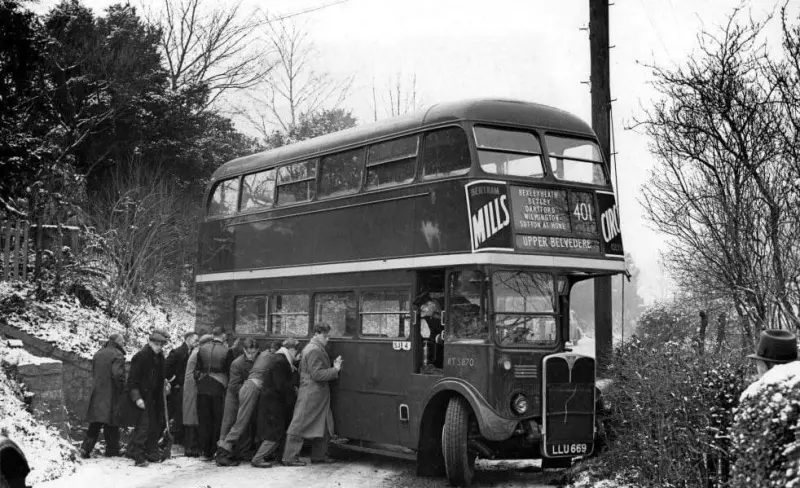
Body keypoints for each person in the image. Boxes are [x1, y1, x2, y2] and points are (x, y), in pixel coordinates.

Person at [282, 323, 343, 466]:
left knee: (325, 423)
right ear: (317, 334)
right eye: (325, 336)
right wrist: (335, 369)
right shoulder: (314, 349)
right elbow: (317, 374)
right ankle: (290, 458)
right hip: (312, 392)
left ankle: (319, 455)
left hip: (316, 393)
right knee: (300, 424)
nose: (328, 339)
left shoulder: (314, 348)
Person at [119, 329, 170, 467]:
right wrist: (137, 398)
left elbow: (159, 376)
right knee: (143, 426)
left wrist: (164, 384)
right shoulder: (141, 356)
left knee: (154, 425)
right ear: (150, 343)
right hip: (143, 396)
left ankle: (151, 452)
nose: (159, 347)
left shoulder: (160, 357)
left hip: (155, 397)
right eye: (157, 344)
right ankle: (138, 456)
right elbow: (132, 381)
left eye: (162, 345)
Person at [250, 338, 300, 468]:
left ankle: (269, 456)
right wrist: (293, 387)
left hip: (272, 401)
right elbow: (281, 384)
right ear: (291, 350)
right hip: (274, 403)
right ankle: (258, 458)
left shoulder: (279, 358)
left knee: (275, 430)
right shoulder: (281, 361)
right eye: (296, 351)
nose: (297, 354)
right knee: (275, 431)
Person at [80, 332, 126, 458]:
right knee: (112, 422)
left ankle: (85, 448)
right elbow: (117, 375)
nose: (123, 343)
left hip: (98, 392)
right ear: (117, 341)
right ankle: (112, 450)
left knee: (96, 422)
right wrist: (122, 388)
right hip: (112, 393)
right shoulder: (118, 354)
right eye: (122, 341)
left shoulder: (98, 353)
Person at [216, 338, 259, 466]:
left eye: (254, 352)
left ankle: (242, 453)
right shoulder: (237, 363)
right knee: (228, 424)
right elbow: (234, 385)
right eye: (249, 353)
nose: (251, 356)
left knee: (246, 424)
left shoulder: (259, 360)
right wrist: (248, 390)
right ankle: (222, 455)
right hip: (234, 397)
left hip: (247, 396)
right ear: (244, 350)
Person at [194, 327, 234, 460]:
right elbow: (230, 371)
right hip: (218, 386)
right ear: (223, 335)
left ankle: (205, 452)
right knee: (217, 419)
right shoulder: (227, 351)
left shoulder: (202, 349)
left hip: (202, 386)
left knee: (204, 420)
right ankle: (215, 450)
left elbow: (196, 371)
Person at [165, 331, 198, 446]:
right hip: (178, 388)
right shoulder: (178, 352)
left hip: (185, 387)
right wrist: (173, 380)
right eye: (195, 340)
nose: (197, 343)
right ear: (188, 339)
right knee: (176, 414)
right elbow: (166, 367)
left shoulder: (191, 352)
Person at [183, 333, 212, 457]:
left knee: (191, 414)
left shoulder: (195, 351)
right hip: (193, 385)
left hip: (190, 384)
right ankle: (191, 447)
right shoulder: (199, 353)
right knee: (192, 415)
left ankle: (191, 446)